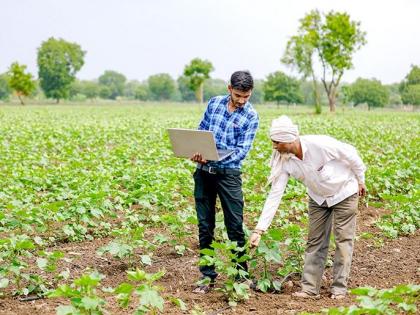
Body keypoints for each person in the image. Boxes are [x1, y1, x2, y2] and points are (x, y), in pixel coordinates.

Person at [250, 115, 366, 299]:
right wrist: (259, 229)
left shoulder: (320, 144)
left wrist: (361, 180)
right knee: (315, 241)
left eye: (276, 142)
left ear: (289, 140)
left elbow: (351, 156)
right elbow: (275, 194)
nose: (274, 146)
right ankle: (310, 289)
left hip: (344, 191)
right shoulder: (283, 159)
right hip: (318, 198)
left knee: (343, 240)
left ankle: (339, 288)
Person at [191, 70, 259, 293]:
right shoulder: (214, 103)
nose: (241, 101)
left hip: (228, 175)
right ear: (229, 88)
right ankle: (207, 276)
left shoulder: (251, 116)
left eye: (246, 96)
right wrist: (198, 151)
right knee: (205, 225)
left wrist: (216, 156)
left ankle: (241, 275)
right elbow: (202, 130)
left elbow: (242, 151)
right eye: (238, 95)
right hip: (203, 171)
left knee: (234, 225)